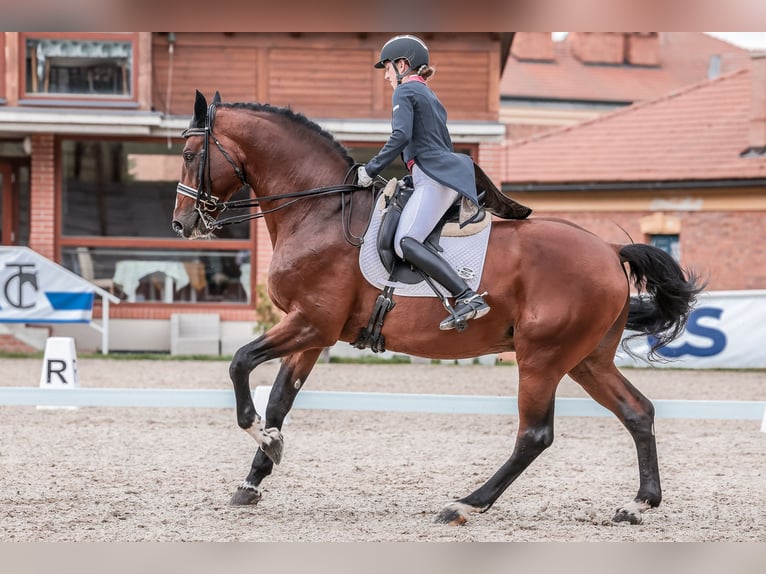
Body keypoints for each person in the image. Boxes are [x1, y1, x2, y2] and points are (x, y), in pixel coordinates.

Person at [357, 34, 490, 331]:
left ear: (403, 64)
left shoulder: (405, 92)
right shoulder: (428, 94)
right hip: (435, 176)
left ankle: (467, 296)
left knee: (406, 242)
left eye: (389, 68)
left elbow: (401, 136)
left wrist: (371, 168)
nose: (387, 76)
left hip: (433, 179)